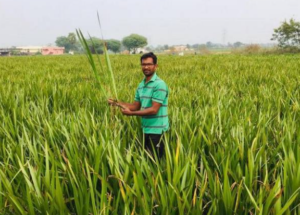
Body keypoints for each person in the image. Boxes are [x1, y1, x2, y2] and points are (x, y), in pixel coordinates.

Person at [108, 52, 169, 157]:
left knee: (155, 163)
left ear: (155, 66)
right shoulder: (141, 85)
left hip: (158, 131)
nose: (146, 67)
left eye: (149, 64)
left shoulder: (159, 85)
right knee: (147, 160)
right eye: (143, 64)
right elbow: (135, 106)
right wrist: (116, 103)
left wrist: (131, 114)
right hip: (146, 129)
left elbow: (154, 110)